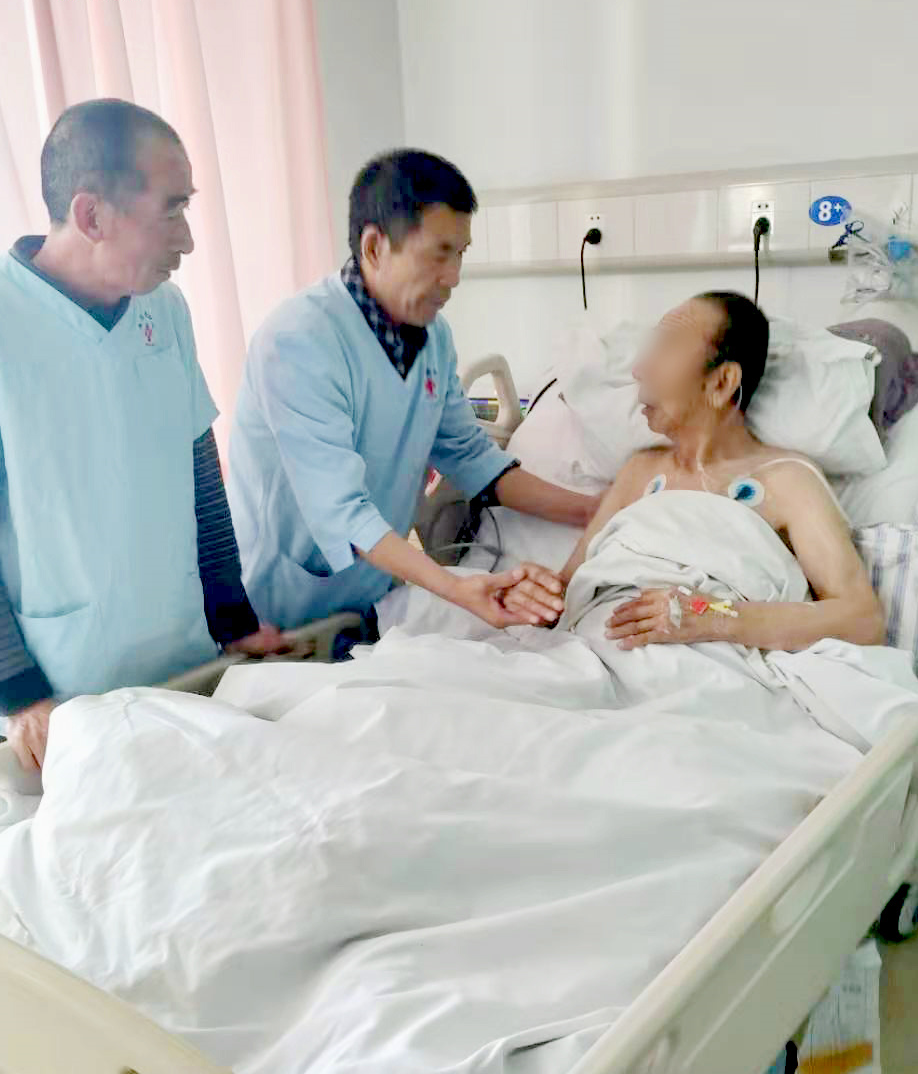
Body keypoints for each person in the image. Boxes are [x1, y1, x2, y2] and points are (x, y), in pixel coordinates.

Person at [0, 98, 287, 772]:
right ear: (91, 216)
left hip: (188, 665)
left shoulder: (166, 310)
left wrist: (234, 619)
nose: (187, 240)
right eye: (171, 210)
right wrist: (20, 691)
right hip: (67, 695)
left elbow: (200, 471)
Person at [228, 149, 596, 636]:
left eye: (461, 254)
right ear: (375, 247)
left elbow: (473, 459)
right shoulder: (299, 341)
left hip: (374, 600)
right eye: (439, 253)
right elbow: (342, 514)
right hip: (282, 613)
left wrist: (595, 510)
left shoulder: (434, 338)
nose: (454, 277)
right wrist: (455, 588)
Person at [519, 291, 884, 651]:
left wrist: (712, 615)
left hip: (710, 668)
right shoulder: (638, 472)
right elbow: (568, 592)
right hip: (592, 653)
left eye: (668, 348)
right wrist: (534, 595)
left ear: (721, 382)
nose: (640, 370)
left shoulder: (788, 480)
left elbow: (861, 621)